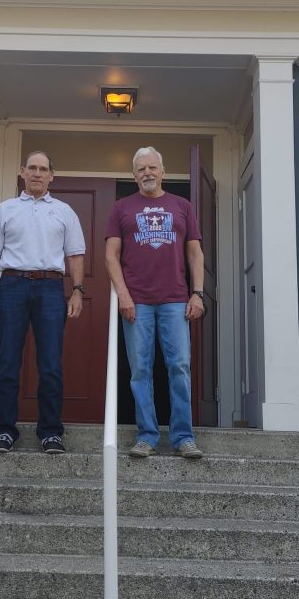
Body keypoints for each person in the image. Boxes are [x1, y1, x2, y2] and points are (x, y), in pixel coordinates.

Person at [0, 150, 86, 454]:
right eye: (32, 168)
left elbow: (76, 254)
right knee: (8, 362)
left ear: (52, 175)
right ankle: (4, 430)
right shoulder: (6, 209)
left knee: (51, 364)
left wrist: (78, 290)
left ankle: (50, 432)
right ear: (22, 172)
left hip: (51, 288)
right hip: (12, 286)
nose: (37, 173)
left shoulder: (64, 211)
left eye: (43, 169)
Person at [105, 146, 205, 459]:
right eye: (140, 169)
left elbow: (194, 253)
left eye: (152, 168)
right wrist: (122, 293)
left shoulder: (182, 206)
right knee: (140, 370)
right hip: (138, 301)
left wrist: (197, 292)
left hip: (176, 299)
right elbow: (111, 255)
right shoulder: (121, 207)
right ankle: (146, 436)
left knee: (179, 367)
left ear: (162, 171)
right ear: (134, 175)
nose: (147, 173)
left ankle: (183, 438)